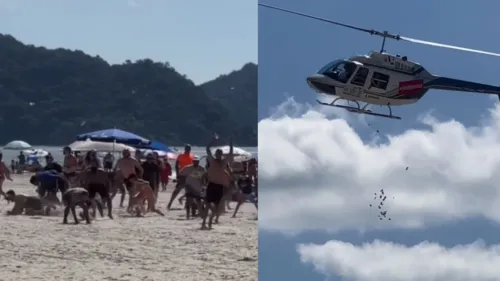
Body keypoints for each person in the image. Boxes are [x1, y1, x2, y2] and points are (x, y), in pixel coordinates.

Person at [203, 135, 233, 229]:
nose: (219, 155)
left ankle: (210, 223)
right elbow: (207, 149)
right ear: (216, 154)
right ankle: (204, 223)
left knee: (216, 207)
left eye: (220, 153)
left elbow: (230, 154)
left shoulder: (224, 163)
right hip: (211, 185)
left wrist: (230, 144)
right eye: (217, 153)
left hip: (219, 187)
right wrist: (212, 141)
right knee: (208, 206)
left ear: (222, 155)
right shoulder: (212, 161)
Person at [178, 156, 207, 220]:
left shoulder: (202, 169)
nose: (196, 162)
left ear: (199, 162)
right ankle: (188, 215)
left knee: (198, 202)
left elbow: (205, 177)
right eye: (194, 161)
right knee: (189, 201)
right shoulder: (187, 168)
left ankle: (199, 214)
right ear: (193, 161)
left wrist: (204, 185)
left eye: (197, 161)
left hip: (198, 187)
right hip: (189, 186)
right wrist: (182, 181)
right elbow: (180, 173)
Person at [166, 144, 194, 209]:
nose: (188, 149)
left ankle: (186, 205)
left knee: (189, 191)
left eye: (189, 148)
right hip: (182, 175)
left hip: (190, 175)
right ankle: (170, 203)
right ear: (185, 149)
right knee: (177, 190)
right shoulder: (181, 155)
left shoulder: (192, 156)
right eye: (187, 148)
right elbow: (176, 165)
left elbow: (193, 166)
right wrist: (178, 174)